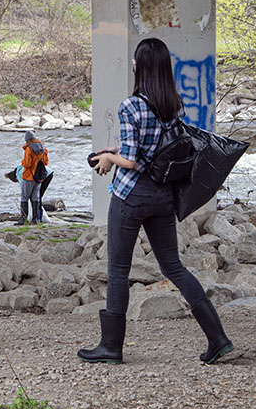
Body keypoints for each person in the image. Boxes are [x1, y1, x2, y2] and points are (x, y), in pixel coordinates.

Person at [78, 38, 232, 365]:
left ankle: (110, 347)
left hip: (131, 196)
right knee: (173, 266)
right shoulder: (173, 103)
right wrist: (113, 153)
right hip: (163, 196)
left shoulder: (131, 106)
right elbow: (156, 152)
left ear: (141, 66)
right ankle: (218, 338)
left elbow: (132, 161)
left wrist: (108, 158)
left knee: (118, 269)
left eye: (136, 61)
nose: (133, 64)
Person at [19, 130, 48, 225]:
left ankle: (23, 219)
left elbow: (27, 164)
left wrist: (22, 162)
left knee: (24, 197)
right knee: (35, 197)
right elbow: (46, 162)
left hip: (29, 176)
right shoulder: (43, 147)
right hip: (39, 176)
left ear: (27, 140)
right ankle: (34, 220)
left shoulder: (29, 149)